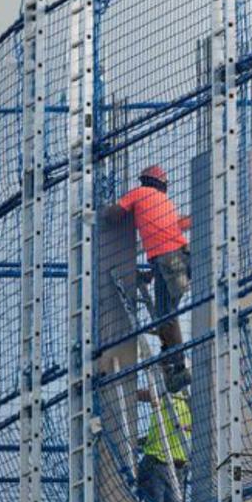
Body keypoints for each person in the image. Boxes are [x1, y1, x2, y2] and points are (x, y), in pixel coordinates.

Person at [106, 165, 192, 392]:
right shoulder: (165, 203)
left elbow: (114, 214)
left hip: (170, 261)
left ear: (145, 181)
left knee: (167, 316)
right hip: (180, 259)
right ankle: (172, 362)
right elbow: (165, 241)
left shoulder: (140, 193)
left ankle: (179, 365)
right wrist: (149, 274)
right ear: (162, 184)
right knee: (166, 314)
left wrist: (96, 212)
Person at [136, 389, 191, 502]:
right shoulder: (188, 402)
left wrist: (132, 393)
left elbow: (149, 394)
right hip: (177, 462)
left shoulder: (167, 396)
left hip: (159, 461)